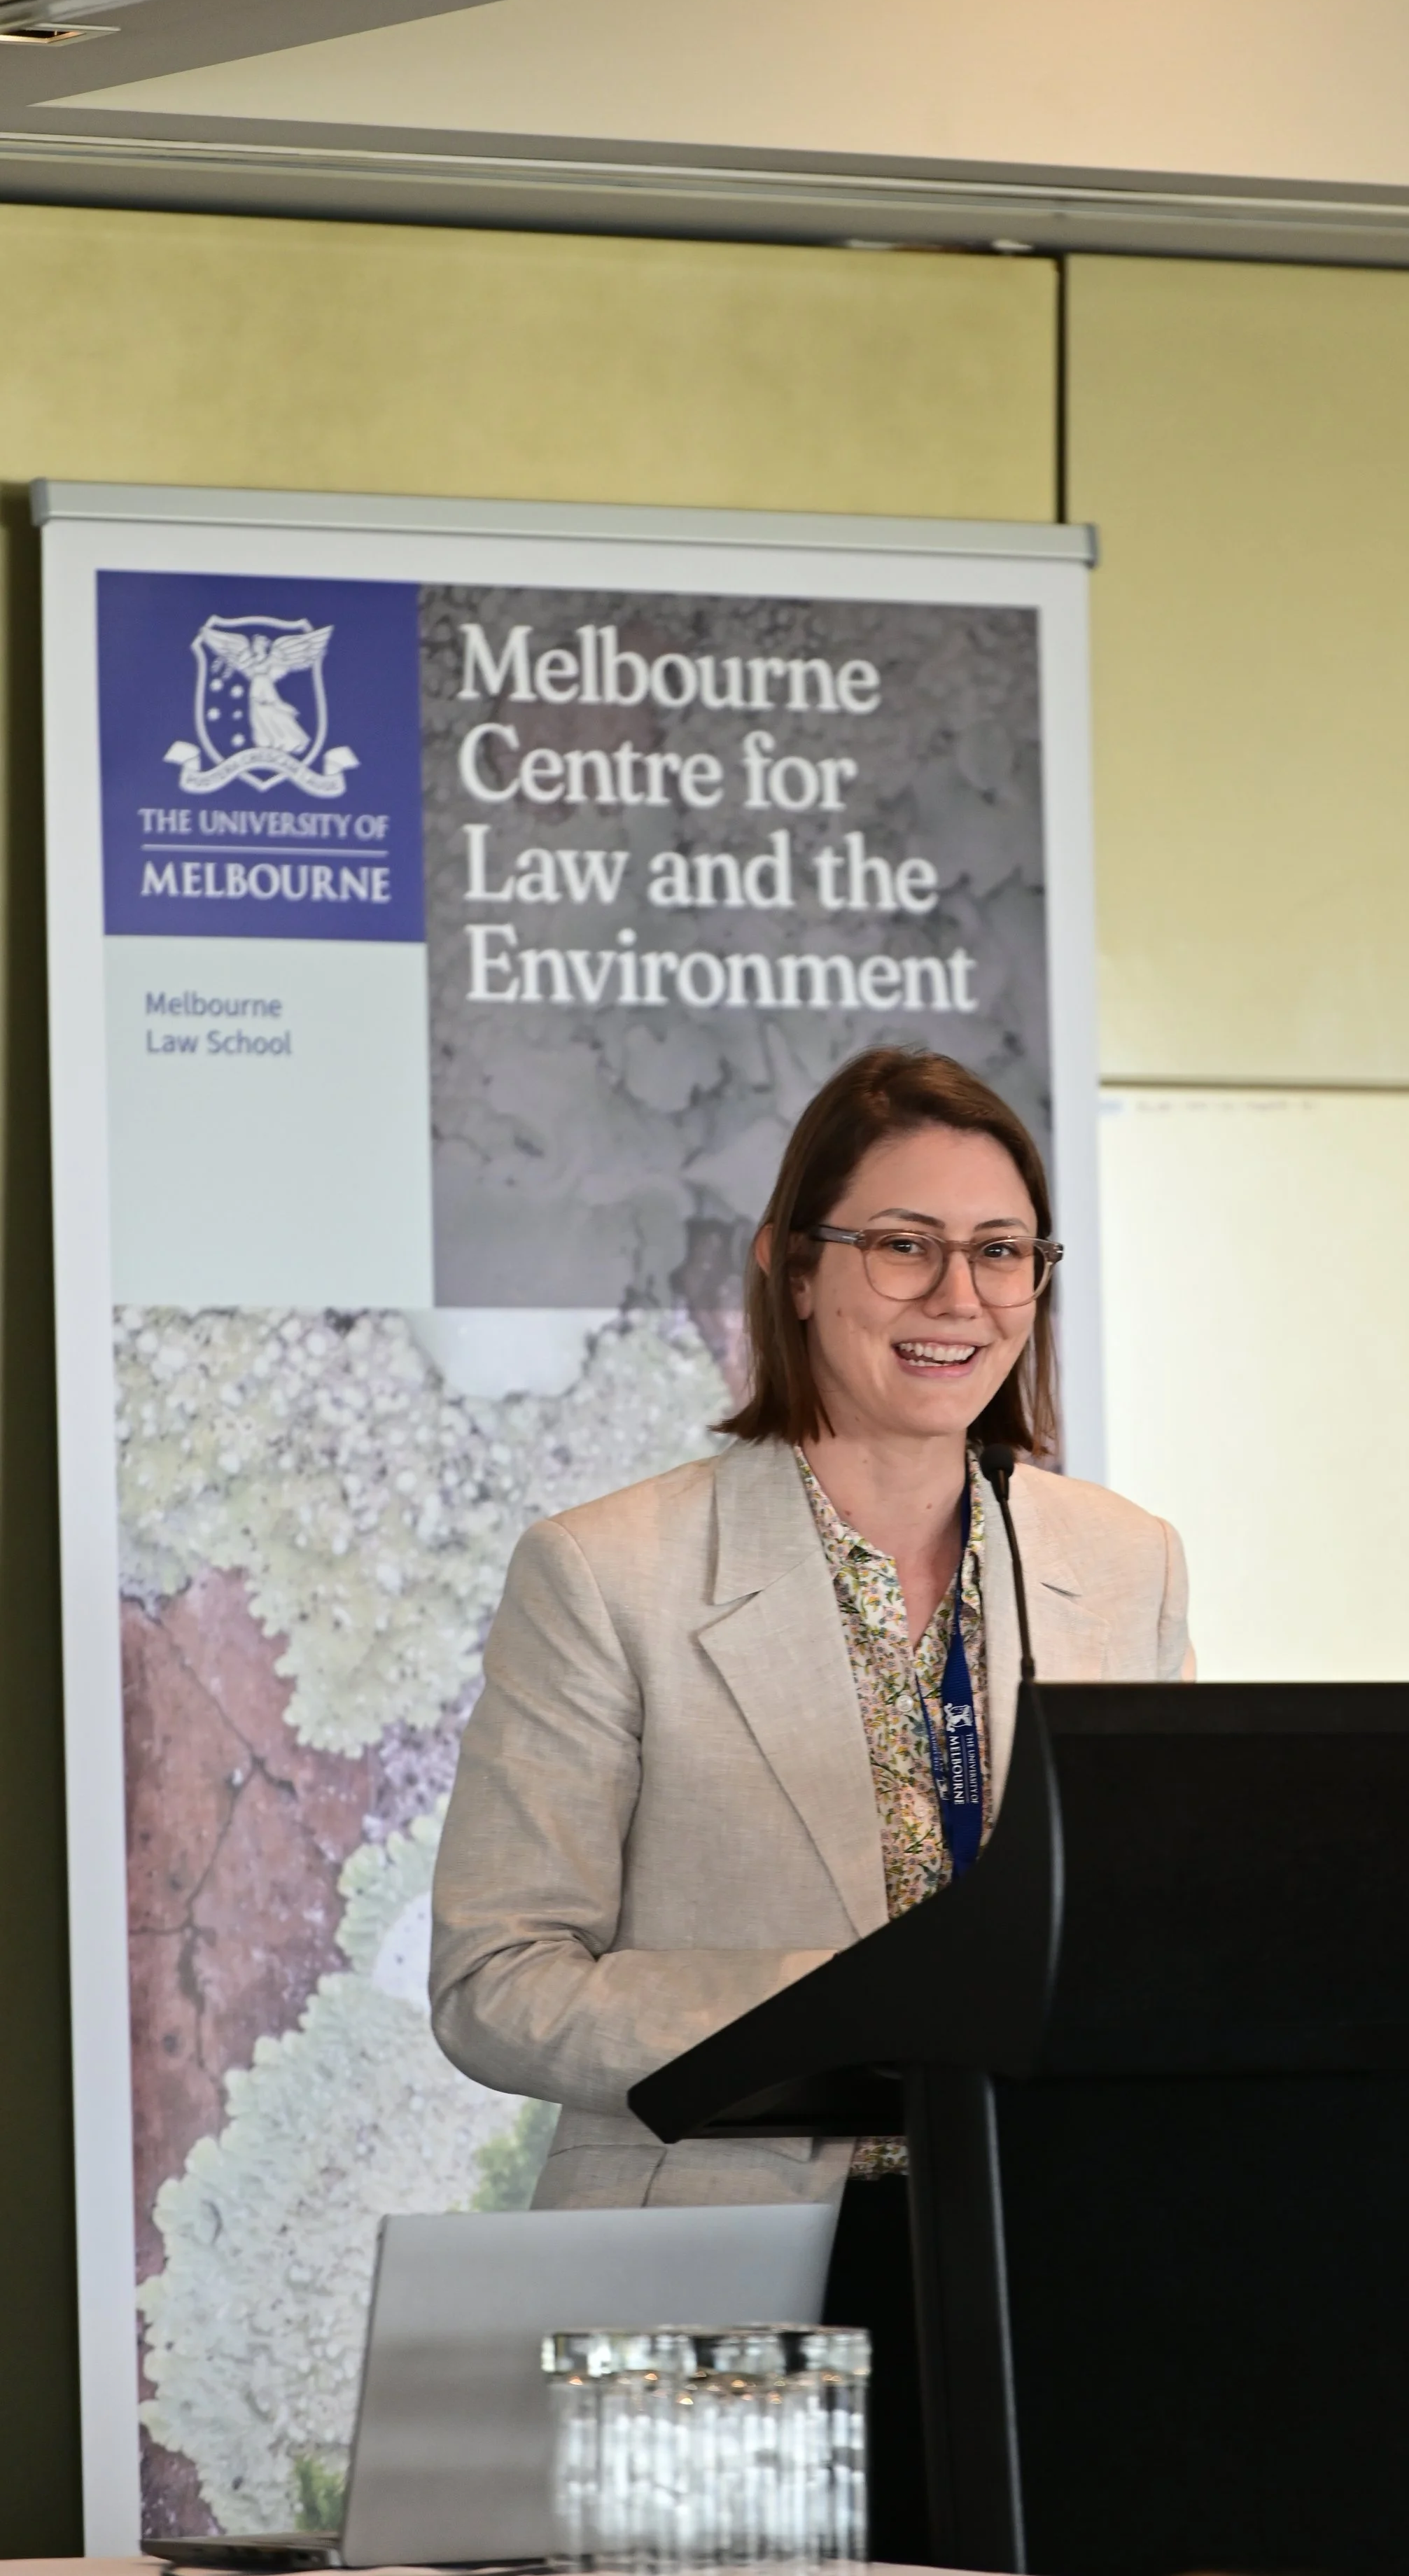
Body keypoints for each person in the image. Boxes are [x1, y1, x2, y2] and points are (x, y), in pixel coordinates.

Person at [431, 1046, 1192, 2558]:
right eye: (901, 1246)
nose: (954, 1299)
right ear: (789, 1269)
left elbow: (1147, 1944)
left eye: (998, 1255)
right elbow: (493, 1985)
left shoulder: (1127, 1562)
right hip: (701, 2275)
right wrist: (834, 2008)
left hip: (1045, 2265)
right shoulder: (607, 1573)